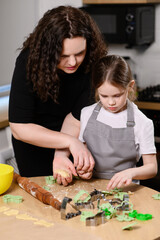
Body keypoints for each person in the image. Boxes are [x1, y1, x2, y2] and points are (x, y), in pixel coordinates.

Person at [9, 6, 107, 185]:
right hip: (34, 143)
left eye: (79, 53)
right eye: (62, 56)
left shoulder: (93, 63)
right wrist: (68, 142)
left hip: (76, 137)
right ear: (47, 52)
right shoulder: (28, 62)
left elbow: (75, 118)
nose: (72, 62)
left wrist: (65, 151)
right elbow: (19, 128)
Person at [79, 55, 157, 190]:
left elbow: (152, 168)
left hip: (126, 190)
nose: (111, 102)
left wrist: (130, 173)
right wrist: (83, 169)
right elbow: (82, 152)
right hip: (89, 187)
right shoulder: (87, 113)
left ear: (130, 86)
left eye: (117, 95)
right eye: (104, 96)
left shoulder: (142, 122)